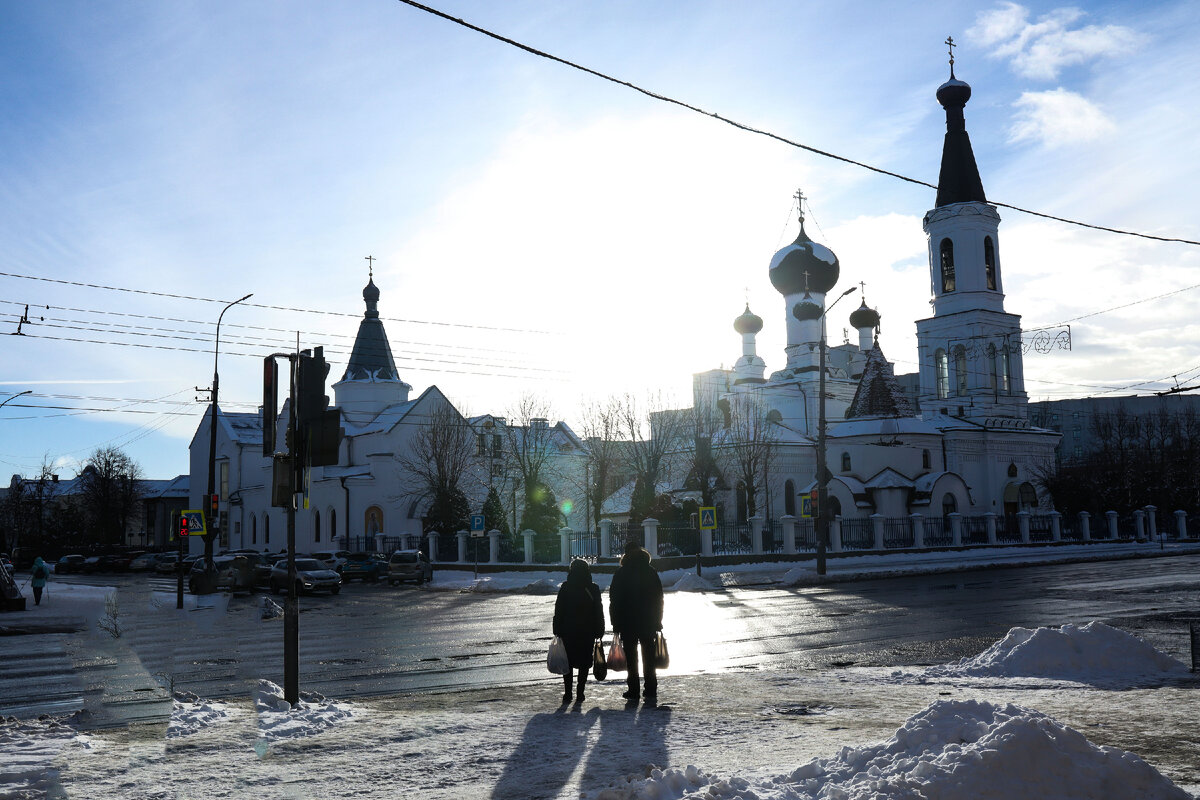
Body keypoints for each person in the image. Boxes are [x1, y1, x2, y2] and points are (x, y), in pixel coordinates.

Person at [608, 540, 664, 701]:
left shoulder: (621, 574)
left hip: (627, 622)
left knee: (631, 658)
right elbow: (658, 598)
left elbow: (615, 600)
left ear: (625, 555)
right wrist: (658, 619)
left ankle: (633, 689)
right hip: (648, 621)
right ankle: (651, 688)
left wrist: (615, 623)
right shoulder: (650, 571)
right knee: (649, 656)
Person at [552, 559, 604, 704]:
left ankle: (568, 693)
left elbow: (559, 610)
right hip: (587, 631)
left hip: (568, 630)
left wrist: (557, 628)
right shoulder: (593, 588)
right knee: (584, 662)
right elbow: (598, 611)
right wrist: (599, 629)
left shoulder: (566, 587)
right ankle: (580, 693)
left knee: (567, 662)